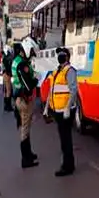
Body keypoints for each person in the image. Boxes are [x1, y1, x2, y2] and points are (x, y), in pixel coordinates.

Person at [45, 46, 78, 177]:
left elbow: (73, 90)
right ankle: (69, 164)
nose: (59, 56)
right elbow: (52, 89)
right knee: (63, 138)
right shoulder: (57, 71)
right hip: (57, 110)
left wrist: (67, 108)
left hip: (65, 111)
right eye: (58, 54)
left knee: (66, 139)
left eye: (62, 54)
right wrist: (47, 107)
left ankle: (67, 166)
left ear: (67, 57)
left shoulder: (69, 71)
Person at [11, 43, 39, 168]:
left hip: (19, 98)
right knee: (25, 129)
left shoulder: (16, 60)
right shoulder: (22, 64)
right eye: (31, 51)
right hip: (24, 99)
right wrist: (36, 80)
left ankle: (29, 153)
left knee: (25, 127)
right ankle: (25, 159)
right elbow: (28, 85)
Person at [1, 45, 15, 112]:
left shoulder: (4, 58)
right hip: (6, 74)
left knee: (7, 90)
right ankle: (8, 106)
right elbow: (8, 68)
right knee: (8, 90)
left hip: (5, 74)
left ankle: (6, 106)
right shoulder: (6, 58)